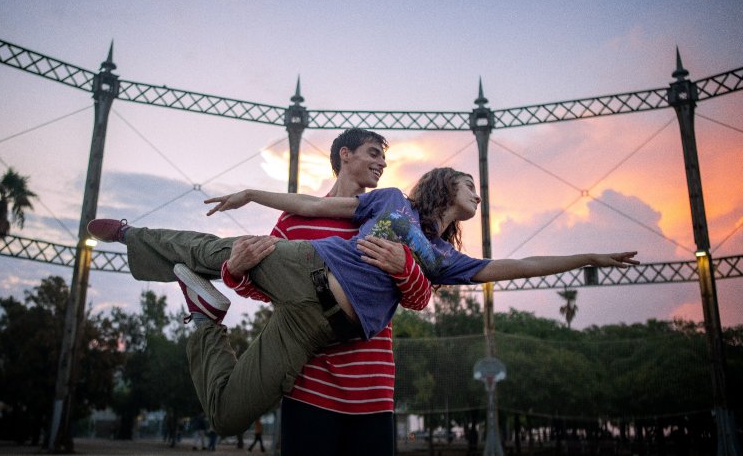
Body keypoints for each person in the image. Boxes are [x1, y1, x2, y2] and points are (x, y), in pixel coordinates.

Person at [87, 167, 638, 436]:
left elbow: (517, 265)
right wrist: (252, 193)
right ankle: (133, 235)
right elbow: (312, 205)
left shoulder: (447, 259)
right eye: (471, 184)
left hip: (317, 330)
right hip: (310, 268)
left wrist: (586, 256)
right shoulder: (391, 200)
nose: (478, 193)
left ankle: (205, 317)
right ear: (446, 186)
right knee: (218, 250)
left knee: (228, 416)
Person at [221, 129, 430, 456]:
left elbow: (419, 299)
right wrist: (234, 272)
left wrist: (403, 266)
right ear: (345, 154)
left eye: (384, 157)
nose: (382, 163)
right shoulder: (295, 221)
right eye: (373, 153)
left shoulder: (393, 221)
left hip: (372, 393)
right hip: (309, 390)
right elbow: (269, 289)